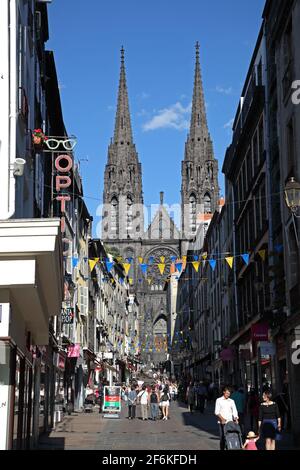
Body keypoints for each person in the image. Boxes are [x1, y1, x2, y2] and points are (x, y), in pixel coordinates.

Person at [215, 386, 239, 451]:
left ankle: (230, 448)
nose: (228, 395)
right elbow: (216, 412)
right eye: (227, 393)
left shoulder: (231, 401)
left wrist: (236, 418)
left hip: (230, 422)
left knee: (231, 437)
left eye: (229, 394)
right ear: (224, 392)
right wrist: (222, 419)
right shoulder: (219, 400)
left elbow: (234, 410)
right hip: (222, 423)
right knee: (222, 438)